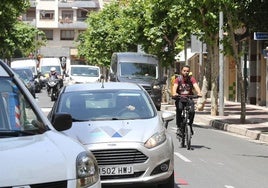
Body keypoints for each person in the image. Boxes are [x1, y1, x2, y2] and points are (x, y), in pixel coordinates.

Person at [172, 65, 202, 139]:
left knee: (192, 111)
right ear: (182, 71)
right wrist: (174, 93)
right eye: (184, 71)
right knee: (179, 109)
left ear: (189, 72)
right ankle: (179, 127)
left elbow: (196, 86)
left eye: (187, 71)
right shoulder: (178, 79)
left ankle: (190, 125)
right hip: (180, 98)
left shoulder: (191, 79)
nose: (186, 72)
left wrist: (199, 92)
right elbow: (174, 87)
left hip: (189, 98)